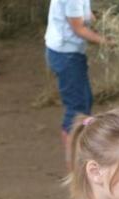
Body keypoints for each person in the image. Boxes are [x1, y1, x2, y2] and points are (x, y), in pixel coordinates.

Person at [45, 0, 107, 170]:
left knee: (85, 102)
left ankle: (80, 152)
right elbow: (78, 28)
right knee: (76, 110)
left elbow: (84, 14)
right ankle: (73, 163)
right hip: (66, 55)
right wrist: (105, 41)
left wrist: (101, 22)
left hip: (70, 53)